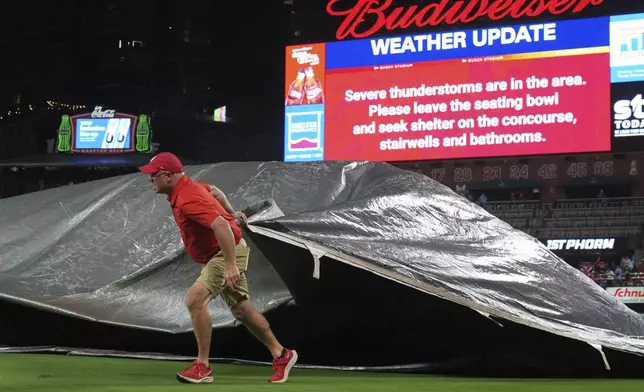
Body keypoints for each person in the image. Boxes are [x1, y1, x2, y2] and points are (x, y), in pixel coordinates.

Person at [138, 152, 298, 384]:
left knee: (195, 300)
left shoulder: (187, 198)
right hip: (225, 251)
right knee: (242, 310)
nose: (150, 179)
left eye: (153, 175)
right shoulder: (185, 188)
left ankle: (203, 367)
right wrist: (232, 211)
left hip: (224, 253)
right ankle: (281, 354)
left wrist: (230, 264)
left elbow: (221, 226)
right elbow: (215, 191)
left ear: (168, 175)